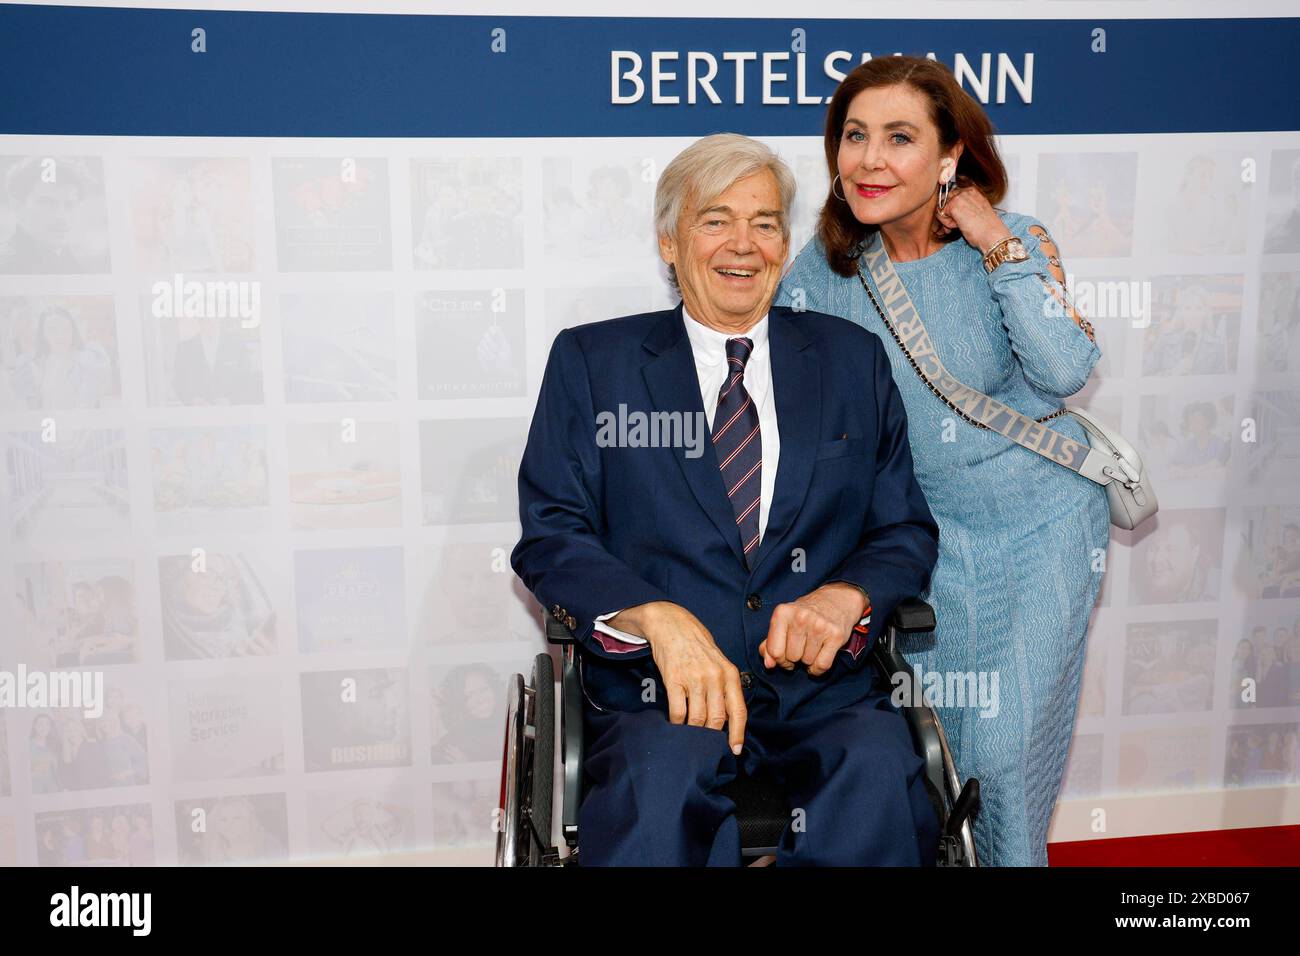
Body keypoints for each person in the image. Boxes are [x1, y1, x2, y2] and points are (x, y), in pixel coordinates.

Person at [511, 133, 941, 866]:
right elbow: (552, 533)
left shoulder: (850, 359)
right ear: (670, 242)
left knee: (879, 780)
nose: (744, 244)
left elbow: (902, 527)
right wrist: (656, 617)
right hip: (662, 694)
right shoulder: (594, 363)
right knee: (654, 798)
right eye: (716, 220)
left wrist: (848, 597)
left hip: (821, 691)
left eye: (766, 223)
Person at [775, 56, 1110, 866]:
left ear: (949, 154)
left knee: (1002, 753)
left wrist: (996, 241)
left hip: (1043, 526)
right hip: (925, 543)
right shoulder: (826, 269)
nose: (869, 159)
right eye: (854, 136)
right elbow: (756, 350)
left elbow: (1066, 371)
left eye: (899, 138)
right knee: (942, 755)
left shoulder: (1015, 240)